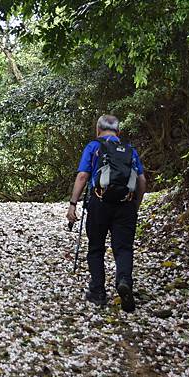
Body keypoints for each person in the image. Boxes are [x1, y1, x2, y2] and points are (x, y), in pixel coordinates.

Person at [66, 115, 146, 313]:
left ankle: (98, 292)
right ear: (118, 132)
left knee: (96, 247)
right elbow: (142, 181)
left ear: (98, 130)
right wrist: (135, 205)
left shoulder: (93, 147)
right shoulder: (130, 150)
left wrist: (72, 204)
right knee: (123, 247)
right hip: (125, 205)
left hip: (99, 203)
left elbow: (83, 176)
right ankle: (124, 281)